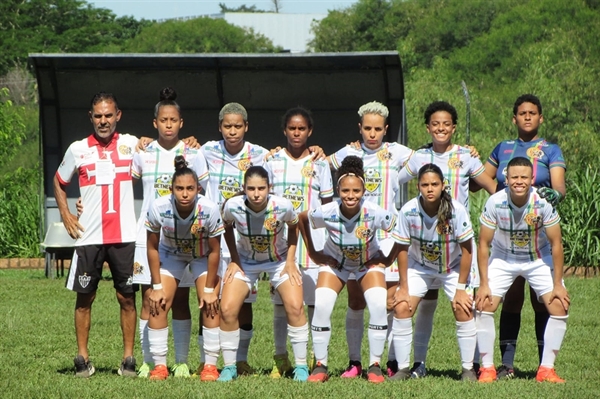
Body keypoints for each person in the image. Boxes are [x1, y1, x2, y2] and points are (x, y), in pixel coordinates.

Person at [396, 101, 496, 377]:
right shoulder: (418, 157)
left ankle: (471, 366)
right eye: (435, 124)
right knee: (417, 305)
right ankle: (413, 365)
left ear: (453, 127)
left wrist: (501, 216)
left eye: (446, 124)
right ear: (427, 128)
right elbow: (392, 179)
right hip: (423, 243)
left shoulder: (465, 155)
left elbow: (491, 186)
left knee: (465, 307)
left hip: (455, 241)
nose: (440, 128)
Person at [481, 94, 566, 379]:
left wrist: (552, 195)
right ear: (514, 118)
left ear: (541, 117)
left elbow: (559, 188)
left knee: (542, 300)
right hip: (505, 228)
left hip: (537, 228)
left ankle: (544, 365)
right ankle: (506, 365)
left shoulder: (550, 149)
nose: (527, 117)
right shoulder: (503, 148)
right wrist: (469, 161)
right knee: (511, 299)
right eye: (522, 113)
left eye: (532, 113)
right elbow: (482, 181)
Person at [55, 92, 139, 377]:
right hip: (89, 237)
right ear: (90, 117)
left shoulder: (132, 144)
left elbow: (163, 154)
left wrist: (186, 142)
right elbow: (59, 180)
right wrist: (66, 214)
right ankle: (82, 358)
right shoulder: (78, 149)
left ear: (118, 115)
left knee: (126, 297)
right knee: (84, 298)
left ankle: (128, 359)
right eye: (98, 116)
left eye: (108, 115)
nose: (103, 121)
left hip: (124, 235)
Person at [328, 101, 413, 378]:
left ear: (386, 129)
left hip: (386, 236)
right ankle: (355, 362)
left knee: (386, 301)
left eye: (378, 129)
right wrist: (315, 151)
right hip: (354, 237)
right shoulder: (349, 152)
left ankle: (385, 361)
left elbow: (428, 159)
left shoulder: (395, 152)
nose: (372, 134)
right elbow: (319, 162)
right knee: (355, 300)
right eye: (367, 128)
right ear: (359, 128)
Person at [131, 87, 208, 378]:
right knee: (149, 296)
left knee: (181, 299)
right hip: (148, 236)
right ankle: (149, 360)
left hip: (183, 239)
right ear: (155, 123)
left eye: (173, 120)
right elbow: (126, 188)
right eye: (163, 120)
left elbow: (206, 193)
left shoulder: (193, 153)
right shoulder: (142, 153)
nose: (168, 125)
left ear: (181, 122)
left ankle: (181, 360)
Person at [300, 156, 396, 384]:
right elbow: (302, 218)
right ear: (337, 190)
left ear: (364, 191)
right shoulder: (328, 211)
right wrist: (314, 253)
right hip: (335, 263)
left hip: (366, 264)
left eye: (356, 191)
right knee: (322, 303)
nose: (350, 196)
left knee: (377, 303)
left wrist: (387, 257)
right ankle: (321, 365)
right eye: (345, 191)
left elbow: (401, 230)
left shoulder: (374, 212)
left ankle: (374, 365)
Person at [218, 166, 309, 382]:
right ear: (244, 188)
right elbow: (226, 226)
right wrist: (234, 259)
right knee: (227, 309)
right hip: (245, 262)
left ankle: (302, 367)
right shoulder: (232, 206)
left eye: (261, 188)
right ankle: (230, 367)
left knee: (296, 307)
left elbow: (294, 227)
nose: (256, 193)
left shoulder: (283, 206)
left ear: (269, 188)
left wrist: (290, 261)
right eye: (251, 188)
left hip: (278, 262)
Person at [199, 102, 269, 375]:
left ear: (246, 127)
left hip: (244, 242)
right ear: (220, 127)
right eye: (227, 126)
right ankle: (209, 362)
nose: (232, 131)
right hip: (215, 239)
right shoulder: (205, 150)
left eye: (237, 125)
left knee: (244, 303)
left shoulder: (261, 155)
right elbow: (180, 151)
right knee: (212, 300)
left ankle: (240, 359)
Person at [390, 163, 477, 381]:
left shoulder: (456, 210)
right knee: (402, 306)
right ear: (417, 186)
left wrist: (460, 288)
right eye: (425, 184)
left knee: (463, 308)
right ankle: (403, 369)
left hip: (453, 267)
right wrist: (404, 286)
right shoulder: (408, 210)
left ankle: (468, 369)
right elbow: (401, 249)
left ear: (443, 186)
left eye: (435, 184)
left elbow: (467, 250)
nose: (430, 189)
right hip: (420, 267)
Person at [264, 107, 334, 378]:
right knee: (282, 304)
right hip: (282, 244)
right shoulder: (272, 161)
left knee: (316, 303)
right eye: (292, 128)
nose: (296, 133)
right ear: (284, 131)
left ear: (310, 132)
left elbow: (327, 207)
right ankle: (281, 358)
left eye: (301, 128)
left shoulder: (319, 163)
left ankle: (319, 359)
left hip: (313, 243)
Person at [145, 156, 223, 381]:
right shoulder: (159, 207)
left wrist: (209, 290)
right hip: (171, 255)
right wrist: (157, 285)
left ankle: (209, 365)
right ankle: (160, 365)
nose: (185, 193)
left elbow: (215, 251)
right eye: (179, 188)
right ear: (171, 189)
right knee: (157, 302)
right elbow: (152, 248)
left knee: (210, 303)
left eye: (190, 188)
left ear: (198, 188)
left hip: (202, 256)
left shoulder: (209, 209)